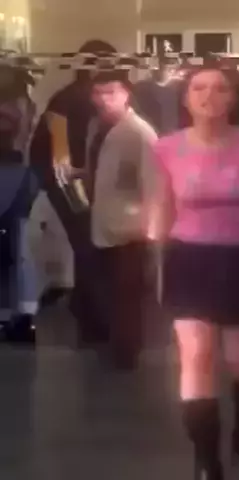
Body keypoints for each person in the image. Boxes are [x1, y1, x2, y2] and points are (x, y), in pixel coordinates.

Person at [156, 67, 239, 480]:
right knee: (195, 355)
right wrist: (149, 242)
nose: (209, 95)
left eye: (219, 88)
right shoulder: (166, 147)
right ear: (186, 98)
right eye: (198, 88)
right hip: (189, 259)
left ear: (233, 98)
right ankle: (206, 458)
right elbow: (160, 206)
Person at [57, 71, 160, 369]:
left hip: (131, 227)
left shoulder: (140, 133)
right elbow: (103, 168)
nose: (103, 99)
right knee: (109, 290)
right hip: (103, 220)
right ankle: (113, 344)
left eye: (111, 92)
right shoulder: (97, 127)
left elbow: (154, 182)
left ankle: (126, 353)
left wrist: (152, 227)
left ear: (127, 94)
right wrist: (79, 174)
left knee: (128, 294)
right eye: (98, 93)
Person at [29, 39, 118, 347]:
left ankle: (87, 309)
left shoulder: (78, 96)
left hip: (67, 177)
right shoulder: (67, 100)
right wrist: (79, 187)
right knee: (87, 243)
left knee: (87, 243)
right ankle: (92, 318)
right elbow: (60, 153)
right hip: (64, 179)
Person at [0, 100, 38, 344]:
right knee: (20, 260)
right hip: (17, 216)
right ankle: (20, 317)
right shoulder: (23, 171)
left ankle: (14, 316)